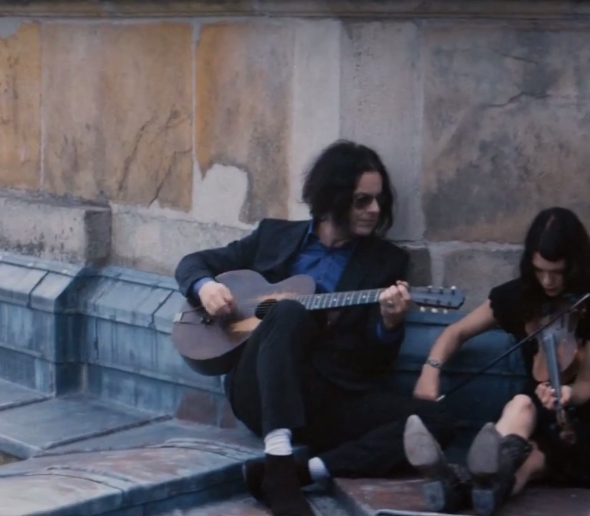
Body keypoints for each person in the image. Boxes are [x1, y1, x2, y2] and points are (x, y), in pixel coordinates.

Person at [174, 140, 458, 516]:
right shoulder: (273, 236)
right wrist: (206, 287)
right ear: (331, 200)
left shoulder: (384, 262)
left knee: (441, 421)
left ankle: (302, 471)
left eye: (378, 200)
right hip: (260, 389)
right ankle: (278, 456)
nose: (374, 210)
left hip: (330, 397)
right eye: (362, 200)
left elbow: (374, 365)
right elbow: (193, 263)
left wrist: (389, 324)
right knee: (288, 312)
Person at [401, 207, 590, 516]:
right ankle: (474, 483)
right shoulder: (522, 296)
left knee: (528, 459)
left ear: (575, 265)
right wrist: (431, 371)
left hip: (578, 427)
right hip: (530, 413)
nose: (547, 281)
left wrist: (568, 394)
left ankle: (453, 481)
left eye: (558, 272)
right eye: (539, 270)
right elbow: (457, 332)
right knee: (521, 403)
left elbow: (587, 386)